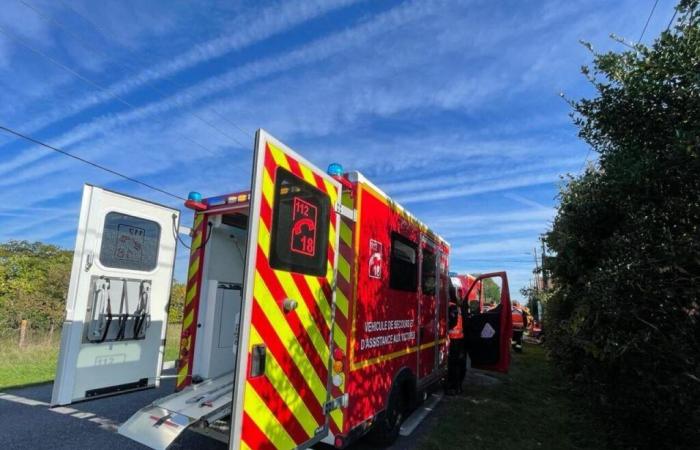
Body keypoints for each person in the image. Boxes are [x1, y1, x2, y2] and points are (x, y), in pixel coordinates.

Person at [446, 281, 467, 395]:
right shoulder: (457, 307)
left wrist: (445, 327)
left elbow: (452, 323)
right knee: (459, 364)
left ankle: (453, 387)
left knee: (453, 365)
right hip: (460, 339)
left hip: (454, 340)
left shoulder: (451, 306)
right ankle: (458, 386)